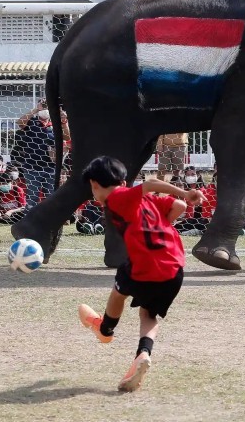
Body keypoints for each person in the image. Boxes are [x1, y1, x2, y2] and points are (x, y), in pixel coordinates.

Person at [77, 156, 202, 393]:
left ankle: (105, 331)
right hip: (173, 267)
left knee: (117, 293)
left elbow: (152, 182)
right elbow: (180, 207)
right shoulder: (145, 200)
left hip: (144, 266)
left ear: (94, 184)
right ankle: (143, 354)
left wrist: (184, 192)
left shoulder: (117, 198)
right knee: (149, 315)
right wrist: (161, 226)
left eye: (91, 189)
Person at [16, 99, 70, 211]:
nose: (45, 109)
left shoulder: (56, 123)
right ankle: (30, 226)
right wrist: (36, 109)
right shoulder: (32, 122)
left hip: (51, 168)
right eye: (43, 105)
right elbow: (20, 122)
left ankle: (49, 224)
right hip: (32, 168)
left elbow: (67, 137)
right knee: (32, 199)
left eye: (47, 106)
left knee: (51, 197)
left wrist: (64, 120)